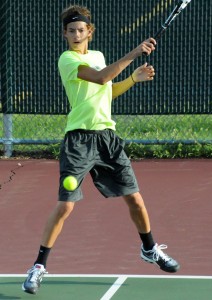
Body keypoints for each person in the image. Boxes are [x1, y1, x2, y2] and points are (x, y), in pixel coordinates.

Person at [22, 4, 180, 295]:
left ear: (89, 32)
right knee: (66, 206)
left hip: (108, 138)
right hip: (78, 141)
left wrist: (132, 79)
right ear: (65, 35)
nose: (76, 34)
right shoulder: (67, 60)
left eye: (81, 30)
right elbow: (99, 78)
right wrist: (134, 53)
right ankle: (38, 266)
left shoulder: (98, 57)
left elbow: (106, 91)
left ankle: (149, 249)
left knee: (136, 200)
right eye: (71, 31)